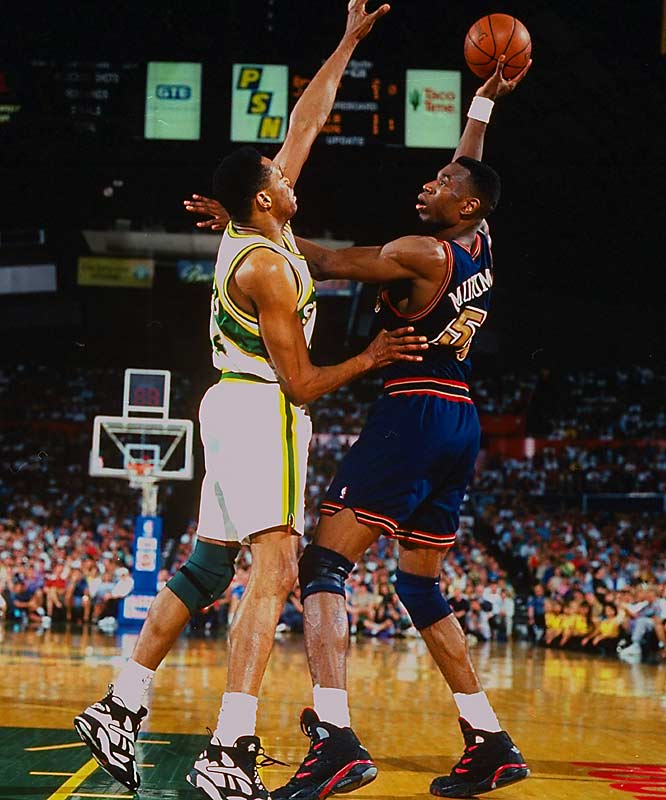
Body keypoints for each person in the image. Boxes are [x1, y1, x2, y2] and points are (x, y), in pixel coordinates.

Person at [73, 4, 427, 799]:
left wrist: (344, 42)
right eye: (274, 176)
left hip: (228, 406)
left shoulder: (260, 226)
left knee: (205, 567)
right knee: (276, 569)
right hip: (264, 406)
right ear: (265, 200)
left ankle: (120, 702)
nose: (286, 171)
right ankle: (228, 747)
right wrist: (370, 355)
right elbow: (301, 383)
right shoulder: (267, 267)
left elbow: (305, 121)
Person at [188, 55, 531, 799]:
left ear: (466, 207)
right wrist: (481, 103)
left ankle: (336, 734)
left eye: (440, 186)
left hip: (411, 411)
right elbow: (470, 165)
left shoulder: (417, 252)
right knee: (419, 585)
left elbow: (323, 260)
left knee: (321, 567)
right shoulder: (482, 242)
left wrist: (253, 221)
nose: (428, 183)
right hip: (461, 419)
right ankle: (490, 739)